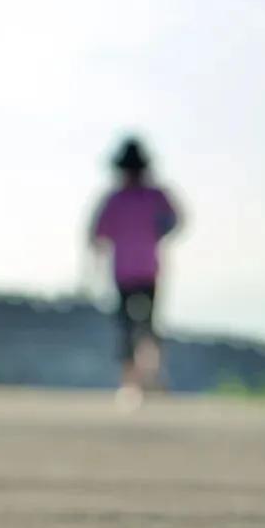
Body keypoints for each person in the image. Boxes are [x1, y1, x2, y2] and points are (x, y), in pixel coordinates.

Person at [89, 135, 183, 408]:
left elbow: (176, 220)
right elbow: (98, 233)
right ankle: (132, 383)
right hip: (126, 272)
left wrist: (159, 232)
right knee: (129, 327)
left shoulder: (152, 196)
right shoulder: (117, 199)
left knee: (148, 325)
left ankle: (150, 375)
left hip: (145, 270)